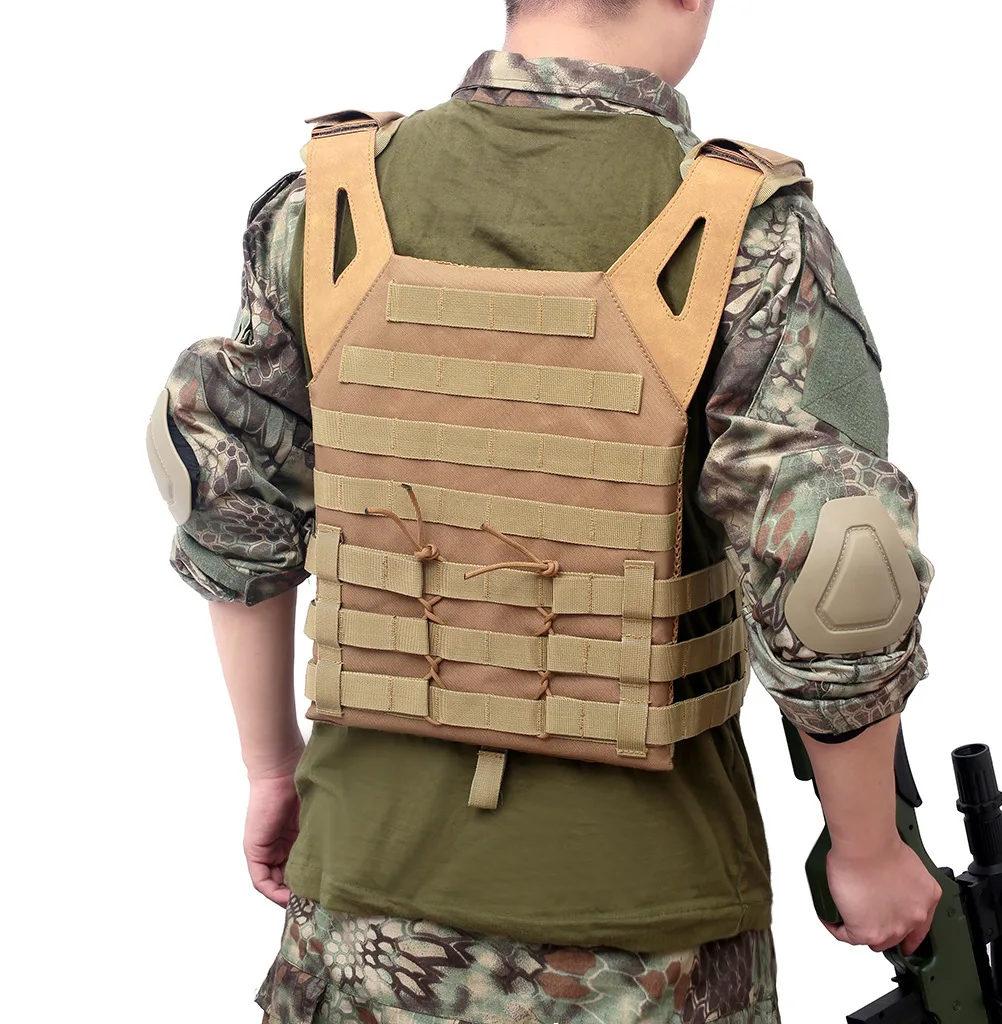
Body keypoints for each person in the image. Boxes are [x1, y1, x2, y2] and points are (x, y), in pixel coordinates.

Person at [146, 1, 943, 1020]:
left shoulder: (324, 203)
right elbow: (840, 562)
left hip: (358, 900)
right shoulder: (752, 232)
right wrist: (868, 850)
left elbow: (225, 495)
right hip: (646, 929)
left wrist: (271, 771)